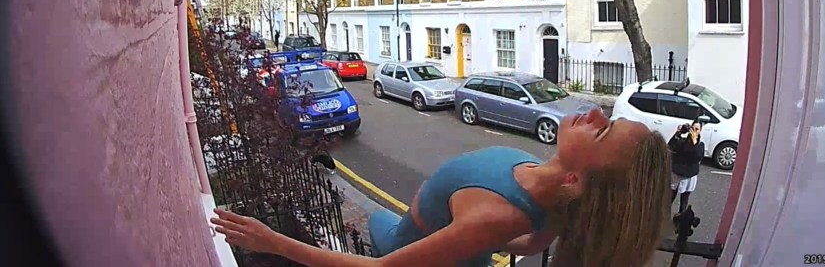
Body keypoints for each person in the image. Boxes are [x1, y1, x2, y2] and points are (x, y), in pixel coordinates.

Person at [210, 108, 673, 267]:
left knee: (377, 224)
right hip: (441, 242)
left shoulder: (497, 214)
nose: (595, 115)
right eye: (609, 117)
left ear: (576, 179)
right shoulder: (545, 190)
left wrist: (272, 242)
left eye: (603, 131)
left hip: (402, 241)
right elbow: (532, 241)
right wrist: (473, 240)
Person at [668, 121, 706, 215]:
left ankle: (681, 218)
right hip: (677, 173)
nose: (694, 131)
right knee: (670, 197)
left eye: (697, 129)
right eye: (693, 129)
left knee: (684, 199)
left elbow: (698, 157)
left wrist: (694, 142)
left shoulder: (700, 145)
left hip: (689, 175)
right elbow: (671, 146)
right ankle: (664, 215)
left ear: (700, 131)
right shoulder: (682, 142)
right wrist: (678, 133)